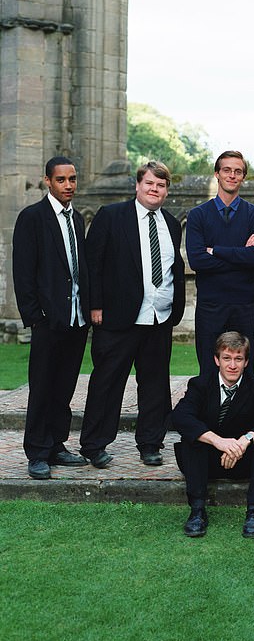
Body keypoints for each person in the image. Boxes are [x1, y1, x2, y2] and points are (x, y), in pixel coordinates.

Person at [79, 161, 185, 468]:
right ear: (137, 185)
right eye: (150, 183)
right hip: (117, 317)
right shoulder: (111, 216)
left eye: (161, 185)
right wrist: (95, 305)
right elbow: (93, 263)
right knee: (107, 382)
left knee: (155, 384)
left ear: (167, 190)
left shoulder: (171, 223)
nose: (155, 189)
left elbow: (171, 268)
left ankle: (151, 443)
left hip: (158, 317)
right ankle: (94, 444)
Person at [12, 156, 90, 479]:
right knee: (42, 385)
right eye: (61, 180)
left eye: (72, 179)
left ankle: (57, 444)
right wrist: (35, 317)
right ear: (48, 181)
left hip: (76, 318)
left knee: (65, 386)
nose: (68, 186)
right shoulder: (32, 218)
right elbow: (23, 271)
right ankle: (37, 452)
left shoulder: (77, 220)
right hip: (47, 319)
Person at [171, 331, 254, 539]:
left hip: (244, 460)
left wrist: (244, 441)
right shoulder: (200, 384)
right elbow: (180, 416)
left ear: (246, 361)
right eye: (227, 358)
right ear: (217, 360)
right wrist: (218, 441)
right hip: (208, 460)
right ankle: (197, 510)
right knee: (192, 439)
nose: (232, 365)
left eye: (238, 359)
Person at [186, 151, 254, 377]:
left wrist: (217, 251)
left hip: (245, 306)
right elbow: (197, 261)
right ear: (217, 174)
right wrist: (242, 254)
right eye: (227, 170)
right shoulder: (198, 216)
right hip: (210, 305)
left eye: (238, 171)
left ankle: (242, 413)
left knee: (244, 370)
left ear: (243, 177)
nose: (232, 175)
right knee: (208, 369)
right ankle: (210, 413)